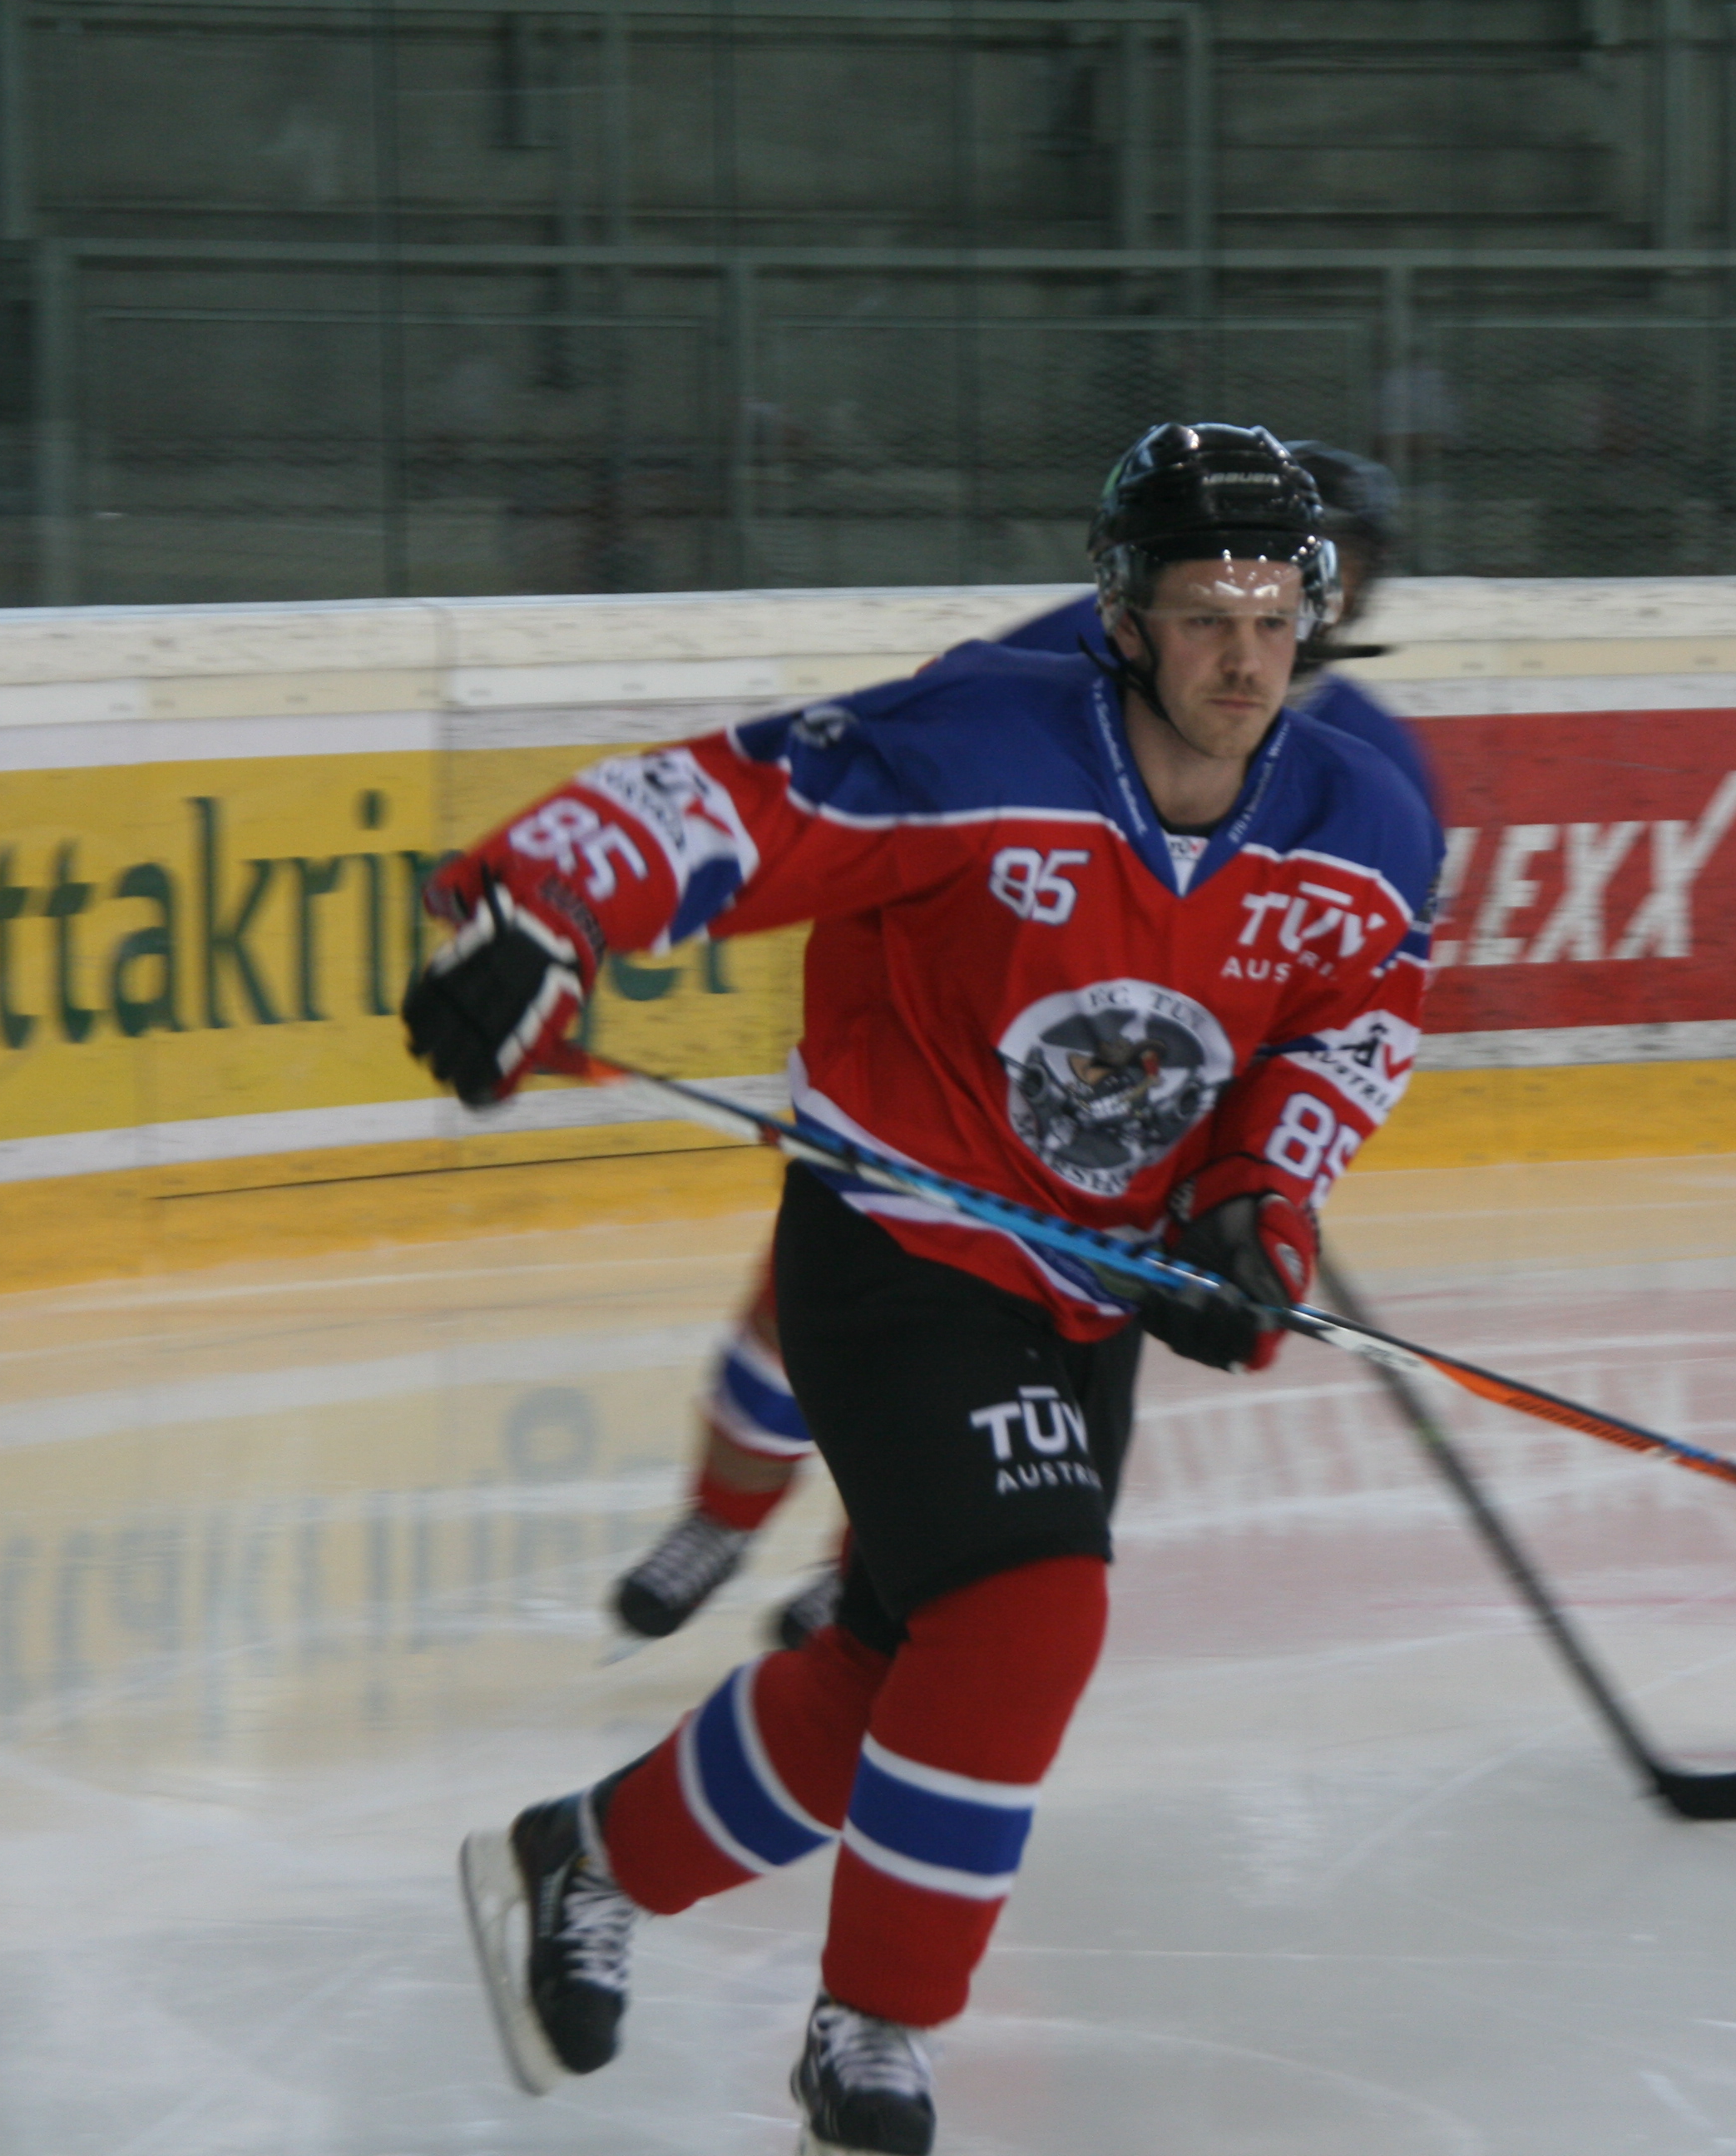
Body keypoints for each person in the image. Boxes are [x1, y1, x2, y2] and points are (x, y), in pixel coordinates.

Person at [407, 422, 1442, 2155]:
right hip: (897, 1248)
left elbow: (1350, 1031)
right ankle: (874, 2026)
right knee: (1031, 1616)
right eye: (1205, 614)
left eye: (1276, 615)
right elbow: (724, 805)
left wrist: (1256, 1206)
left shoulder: (1366, 819)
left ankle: (587, 1859)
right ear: (1126, 614)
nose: (1245, 657)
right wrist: (532, 911)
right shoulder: (981, 741)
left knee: (889, 1679)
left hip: (1087, 1297)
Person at [606, 440, 1435, 1654]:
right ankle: (721, 1518)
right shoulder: (1083, 654)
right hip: (964, 1084)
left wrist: (1260, 1182)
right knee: (815, 1311)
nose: (1309, 593)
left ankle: (880, 1555)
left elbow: (1346, 1010)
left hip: (1118, 1155)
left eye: (1334, 568)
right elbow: (933, 774)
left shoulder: (1375, 772)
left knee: (1009, 1423)